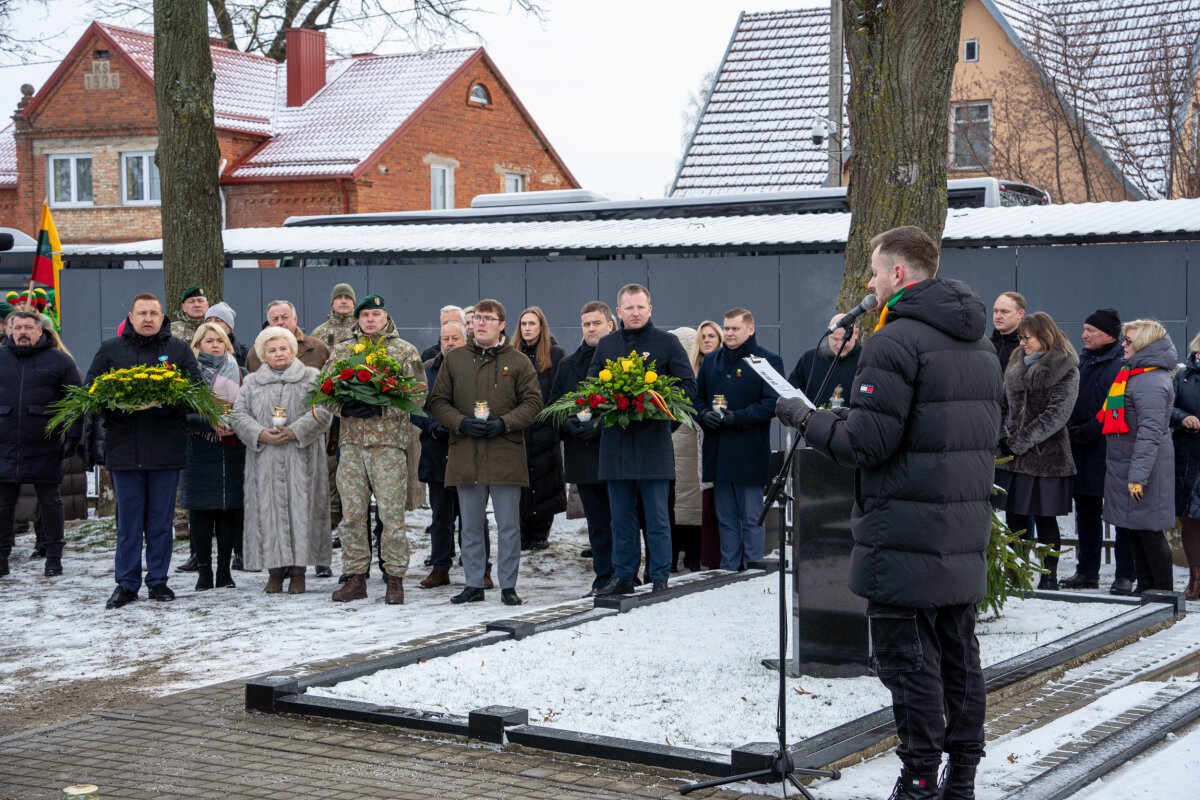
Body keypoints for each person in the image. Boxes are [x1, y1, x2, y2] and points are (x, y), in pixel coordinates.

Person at [775, 226, 1000, 800]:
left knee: (910, 668)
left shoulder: (895, 340)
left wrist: (804, 417)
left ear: (898, 275)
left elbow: (866, 445)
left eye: (874, 273)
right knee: (958, 659)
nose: (869, 284)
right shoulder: (976, 340)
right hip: (959, 528)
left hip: (902, 530)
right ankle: (962, 781)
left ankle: (920, 779)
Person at [86, 293, 203, 610]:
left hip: (165, 448)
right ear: (131, 316)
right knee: (128, 524)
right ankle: (126, 584)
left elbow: (197, 393)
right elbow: (91, 393)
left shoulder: (177, 350)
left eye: (154, 312)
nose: (148, 318)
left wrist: (166, 406)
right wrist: (119, 406)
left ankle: (158, 582)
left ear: (163, 317)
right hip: (125, 450)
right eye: (142, 313)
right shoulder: (111, 350)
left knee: (161, 523)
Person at [429, 298, 543, 606]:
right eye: (477, 317)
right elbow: (438, 401)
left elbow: (533, 404)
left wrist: (505, 423)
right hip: (466, 452)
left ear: (501, 325)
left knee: (508, 526)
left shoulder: (518, 361)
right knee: (470, 525)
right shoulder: (455, 360)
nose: (480, 323)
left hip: (506, 453)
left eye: (488, 318)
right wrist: (461, 423)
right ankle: (474, 584)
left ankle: (508, 586)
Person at [589, 284, 697, 595]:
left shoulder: (667, 343)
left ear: (650, 310)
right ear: (618, 312)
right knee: (620, 518)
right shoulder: (607, 345)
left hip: (653, 443)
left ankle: (659, 576)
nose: (635, 313)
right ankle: (623, 575)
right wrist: (609, 399)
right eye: (629, 308)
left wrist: (654, 402)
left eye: (640, 307)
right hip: (616, 445)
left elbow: (688, 388)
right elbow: (591, 388)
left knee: (657, 517)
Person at [326, 295, 424, 605]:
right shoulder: (342, 350)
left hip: (388, 444)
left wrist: (385, 404)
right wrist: (346, 407)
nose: (370, 319)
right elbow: (323, 392)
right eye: (365, 314)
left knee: (390, 515)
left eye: (376, 313)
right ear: (357, 319)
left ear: (386, 317)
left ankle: (394, 577)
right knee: (353, 515)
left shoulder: (404, 351)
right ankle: (356, 576)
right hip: (352, 444)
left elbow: (418, 394)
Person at [232, 327, 333, 593]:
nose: (279, 353)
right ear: (264, 354)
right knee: (269, 514)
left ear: (293, 350)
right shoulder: (252, 382)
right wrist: (260, 433)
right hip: (265, 459)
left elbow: (323, 410)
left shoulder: (312, 377)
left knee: (302, 513)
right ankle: (274, 573)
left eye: (284, 348)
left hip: (303, 457)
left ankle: (299, 574)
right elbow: (239, 415)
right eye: (272, 349)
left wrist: (294, 431)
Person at [696, 307, 783, 572]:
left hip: (749, 453)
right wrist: (703, 415)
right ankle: (728, 570)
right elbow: (697, 398)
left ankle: (754, 569)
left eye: (735, 328)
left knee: (751, 517)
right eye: (727, 328)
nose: (730, 333)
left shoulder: (767, 360)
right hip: (719, 453)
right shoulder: (711, 361)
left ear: (750, 329)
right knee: (726, 519)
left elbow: (773, 404)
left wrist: (737, 418)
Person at [998, 311, 1079, 590]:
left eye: (1027, 338)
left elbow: (1057, 415)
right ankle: (1016, 575)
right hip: (1012, 458)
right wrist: (1003, 434)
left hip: (1047, 459)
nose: (1022, 343)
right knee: (1014, 520)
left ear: (1043, 336)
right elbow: (1003, 405)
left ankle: (1048, 576)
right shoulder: (1015, 363)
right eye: (1020, 338)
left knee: (1046, 519)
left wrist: (1020, 441)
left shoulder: (1065, 367)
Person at [0, 310, 82, 578]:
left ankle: (53, 557)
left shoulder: (59, 362)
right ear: (9, 330)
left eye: (28, 328)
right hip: (5, 441)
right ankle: (1, 558)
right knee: (3, 503)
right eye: (18, 327)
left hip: (44, 442)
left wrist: (72, 436)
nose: (22, 332)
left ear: (39, 331)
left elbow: (75, 403)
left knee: (50, 501)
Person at [1100, 319, 1178, 594]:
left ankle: (1163, 593)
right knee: (1134, 530)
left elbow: (1150, 433)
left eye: (1129, 341)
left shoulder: (1151, 382)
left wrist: (1137, 477)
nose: (1123, 344)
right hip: (1131, 465)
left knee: (1149, 532)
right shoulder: (1135, 375)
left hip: (1144, 469)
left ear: (1144, 344)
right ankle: (1145, 589)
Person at [1061, 309, 1133, 592]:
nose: (1084, 335)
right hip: (1082, 449)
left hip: (1111, 449)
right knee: (1087, 515)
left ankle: (1125, 574)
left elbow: (1116, 407)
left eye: (1090, 330)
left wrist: (1089, 429)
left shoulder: (1121, 364)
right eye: (1084, 329)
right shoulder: (1083, 361)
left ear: (1109, 335)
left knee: (1121, 516)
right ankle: (1087, 571)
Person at [412, 320, 483, 589]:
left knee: (472, 516)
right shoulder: (427, 371)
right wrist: (432, 426)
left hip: (469, 451)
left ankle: (480, 568)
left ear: (466, 340)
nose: (450, 342)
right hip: (436, 450)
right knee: (441, 516)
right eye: (446, 338)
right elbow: (415, 407)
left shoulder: (478, 368)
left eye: (456, 337)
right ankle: (440, 567)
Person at [553, 301, 617, 594]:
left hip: (618, 455)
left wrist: (603, 424)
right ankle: (603, 577)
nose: (591, 329)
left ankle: (626, 574)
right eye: (586, 324)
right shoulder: (568, 365)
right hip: (584, 455)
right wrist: (567, 424)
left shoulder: (625, 361)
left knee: (622, 521)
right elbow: (552, 409)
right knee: (598, 524)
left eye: (597, 323)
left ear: (611, 325)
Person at [185, 323, 246, 591]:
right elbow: (180, 415)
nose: (215, 345)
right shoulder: (188, 375)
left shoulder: (240, 372)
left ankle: (224, 571)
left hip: (232, 447)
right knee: (201, 512)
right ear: (197, 345)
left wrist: (236, 422)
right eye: (208, 340)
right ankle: (204, 571)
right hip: (200, 448)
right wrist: (209, 421)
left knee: (227, 511)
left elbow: (248, 408)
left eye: (220, 340)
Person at [516, 306, 566, 550]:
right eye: (524, 324)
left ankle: (540, 534)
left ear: (541, 326)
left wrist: (551, 423)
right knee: (520, 482)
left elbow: (560, 392)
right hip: (518, 430)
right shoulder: (510, 353)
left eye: (532, 324)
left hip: (545, 430)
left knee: (545, 483)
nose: (527, 328)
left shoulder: (556, 355)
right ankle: (522, 534)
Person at [669, 326, 702, 572]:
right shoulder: (699, 373)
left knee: (676, 505)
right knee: (694, 504)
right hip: (693, 443)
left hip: (674, 442)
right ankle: (693, 555)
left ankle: (676, 555)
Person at [691, 321, 723, 569]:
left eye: (712, 335)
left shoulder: (725, 365)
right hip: (698, 438)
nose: (708, 340)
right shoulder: (694, 369)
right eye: (703, 337)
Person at [1172, 331, 1200, 601]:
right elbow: (1168, 407)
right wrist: (1184, 417)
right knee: (1190, 520)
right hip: (1190, 456)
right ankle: (1195, 581)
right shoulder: (1184, 374)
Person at [788, 313, 862, 408]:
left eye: (846, 340)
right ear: (828, 332)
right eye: (835, 339)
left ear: (856, 333)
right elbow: (791, 396)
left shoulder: (867, 360)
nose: (840, 346)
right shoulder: (809, 359)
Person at [245, 300, 330, 372]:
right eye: (275, 319)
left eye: (284, 317)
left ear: (295, 319)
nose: (280, 322)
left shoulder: (317, 348)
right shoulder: (255, 354)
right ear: (269, 322)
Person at [203, 302, 250, 367]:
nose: (212, 323)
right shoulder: (196, 351)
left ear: (230, 327)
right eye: (208, 320)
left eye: (218, 320)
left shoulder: (245, 354)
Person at [311, 283, 358, 348]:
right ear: (332, 303)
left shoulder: (364, 328)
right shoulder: (318, 333)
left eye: (348, 298)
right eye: (339, 297)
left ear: (354, 303)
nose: (343, 301)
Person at [991, 291, 1026, 368]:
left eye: (1004, 311)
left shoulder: (1028, 347)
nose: (998, 316)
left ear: (1020, 314)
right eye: (995, 311)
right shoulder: (987, 346)